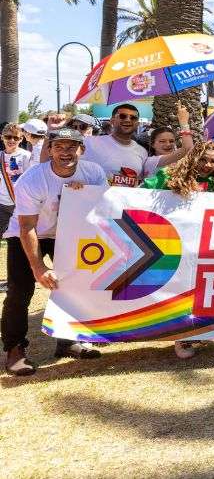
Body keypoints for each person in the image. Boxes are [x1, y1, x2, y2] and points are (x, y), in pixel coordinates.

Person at [3, 128, 106, 375]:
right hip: (28, 233)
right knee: (20, 291)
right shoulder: (33, 178)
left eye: (72, 146)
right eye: (59, 146)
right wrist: (39, 268)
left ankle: (68, 341)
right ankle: (14, 349)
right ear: (49, 150)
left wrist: (87, 196)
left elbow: (103, 209)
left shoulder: (93, 172)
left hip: (66, 234)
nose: (65, 152)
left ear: (82, 149)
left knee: (73, 288)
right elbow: (27, 226)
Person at [142, 140, 214, 359]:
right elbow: (138, 195)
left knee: (198, 293)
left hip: (205, 249)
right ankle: (179, 337)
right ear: (193, 157)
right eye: (203, 159)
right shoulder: (168, 176)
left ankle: (189, 336)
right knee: (177, 291)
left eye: (213, 161)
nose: (207, 165)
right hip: (173, 246)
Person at [73, 102, 147, 186]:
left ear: (137, 123)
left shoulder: (142, 152)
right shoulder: (89, 143)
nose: (128, 120)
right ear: (112, 120)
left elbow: (141, 182)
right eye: (122, 116)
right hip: (94, 197)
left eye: (133, 118)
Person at [140, 104, 196, 178]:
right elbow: (188, 149)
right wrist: (184, 121)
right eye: (162, 141)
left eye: (171, 141)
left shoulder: (178, 161)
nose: (168, 144)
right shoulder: (152, 161)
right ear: (152, 144)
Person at [1, 123, 33, 241]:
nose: (12, 140)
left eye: (16, 138)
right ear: (2, 137)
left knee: (18, 238)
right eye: (8, 137)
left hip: (21, 204)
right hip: (2, 204)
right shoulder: (0, 156)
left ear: (21, 139)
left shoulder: (27, 156)